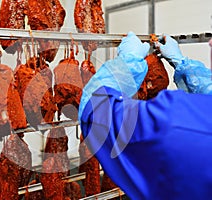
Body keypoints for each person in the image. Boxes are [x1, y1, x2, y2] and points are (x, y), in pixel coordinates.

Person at [78, 31, 212, 200]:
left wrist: (127, 65)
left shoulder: (179, 124)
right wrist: (183, 64)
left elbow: (95, 112)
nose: (210, 43)